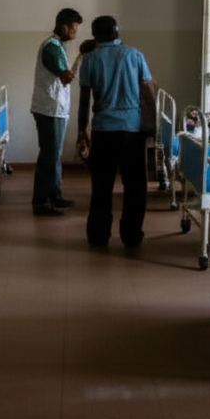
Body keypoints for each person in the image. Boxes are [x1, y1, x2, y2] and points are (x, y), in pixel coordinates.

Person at [76, 15, 155, 249]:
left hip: (103, 129)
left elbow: (84, 100)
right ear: (117, 33)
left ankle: (99, 236)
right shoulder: (135, 55)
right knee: (135, 187)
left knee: (101, 186)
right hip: (132, 129)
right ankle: (131, 235)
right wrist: (151, 127)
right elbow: (149, 94)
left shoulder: (90, 60)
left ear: (95, 36)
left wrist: (82, 131)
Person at [30, 7, 83, 216]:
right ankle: (42, 201)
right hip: (49, 109)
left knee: (53, 155)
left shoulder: (57, 46)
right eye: (74, 28)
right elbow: (66, 77)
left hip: (55, 109)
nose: (75, 32)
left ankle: (55, 196)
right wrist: (81, 56)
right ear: (64, 26)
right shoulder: (51, 48)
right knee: (50, 156)